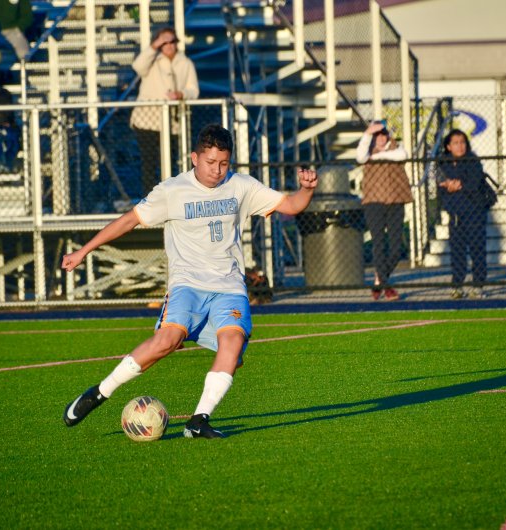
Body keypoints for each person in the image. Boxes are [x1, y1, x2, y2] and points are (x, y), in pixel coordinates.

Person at [62, 124, 318, 438]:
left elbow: (291, 205)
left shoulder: (241, 185)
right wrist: (84, 251)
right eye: (211, 163)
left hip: (228, 286)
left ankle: (198, 421)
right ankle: (99, 392)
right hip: (187, 284)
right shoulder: (172, 191)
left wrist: (306, 190)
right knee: (167, 341)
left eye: (224, 163)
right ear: (194, 158)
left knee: (233, 347)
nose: (217, 170)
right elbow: (129, 220)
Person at [130, 27, 199, 196]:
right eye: (164, 42)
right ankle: (149, 200)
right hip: (147, 122)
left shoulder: (186, 63)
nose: (169, 45)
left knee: (172, 161)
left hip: (172, 124)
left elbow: (193, 90)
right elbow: (138, 66)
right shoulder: (151, 61)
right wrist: (154, 47)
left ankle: (172, 197)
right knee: (149, 162)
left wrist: (181, 94)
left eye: (172, 41)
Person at [356, 121, 413, 301]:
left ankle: (379, 280)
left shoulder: (397, 149)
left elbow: (401, 155)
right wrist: (367, 133)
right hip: (374, 202)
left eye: (382, 134)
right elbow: (360, 157)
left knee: (396, 247)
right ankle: (387, 287)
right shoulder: (367, 149)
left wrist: (378, 156)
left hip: (396, 201)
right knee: (379, 243)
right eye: (376, 135)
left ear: (387, 136)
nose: (379, 138)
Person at [437, 129, 490, 299]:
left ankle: (478, 285)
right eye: (456, 143)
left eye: (463, 142)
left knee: (477, 249)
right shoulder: (443, 162)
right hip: (455, 213)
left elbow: (473, 183)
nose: (460, 146)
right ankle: (457, 285)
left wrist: (456, 184)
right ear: (448, 146)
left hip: (474, 211)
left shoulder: (473, 161)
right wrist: (450, 184)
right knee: (457, 251)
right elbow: (440, 183)